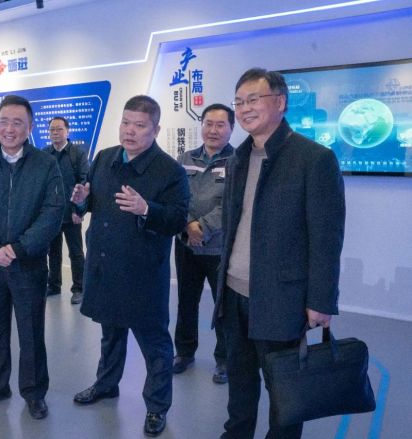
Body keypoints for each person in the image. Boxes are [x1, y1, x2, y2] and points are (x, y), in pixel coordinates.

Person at [215, 68, 345, 439]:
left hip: (281, 299)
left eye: (253, 99)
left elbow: (326, 238)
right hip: (233, 294)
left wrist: (320, 300)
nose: (244, 108)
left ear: (281, 102)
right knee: (240, 386)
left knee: (285, 392)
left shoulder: (313, 159)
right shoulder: (238, 159)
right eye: (239, 101)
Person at [71, 95, 189, 437]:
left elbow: (178, 219)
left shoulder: (170, 171)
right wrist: (82, 202)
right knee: (110, 333)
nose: (129, 131)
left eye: (139, 125)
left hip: (143, 273)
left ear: (156, 130)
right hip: (105, 265)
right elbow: (93, 203)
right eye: (125, 123)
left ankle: (156, 407)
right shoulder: (105, 157)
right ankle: (106, 384)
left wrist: (146, 209)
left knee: (155, 344)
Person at [0, 95, 64, 420]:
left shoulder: (46, 165)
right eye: (4, 121)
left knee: (31, 332)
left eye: (18, 122)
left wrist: (18, 248)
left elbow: (53, 212)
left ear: (30, 127)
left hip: (28, 264)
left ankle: (34, 392)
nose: (8, 129)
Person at [172, 104, 235, 382]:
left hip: (219, 247)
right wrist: (189, 226)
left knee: (223, 306)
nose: (213, 130)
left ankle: (225, 359)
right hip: (186, 244)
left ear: (231, 128)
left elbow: (232, 204)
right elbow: (176, 195)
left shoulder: (238, 161)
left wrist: (203, 227)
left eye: (220, 125)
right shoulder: (185, 158)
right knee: (186, 301)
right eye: (209, 124)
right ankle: (184, 352)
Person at [44, 116, 89, 304]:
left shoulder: (77, 153)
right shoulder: (44, 154)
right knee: (53, 252)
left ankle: (79, 288)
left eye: (59, 129)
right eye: (52, 130)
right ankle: (54, 285)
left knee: (75, 253)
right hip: (51, 214)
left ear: (67, 131)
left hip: (71, 213)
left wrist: (78, 211)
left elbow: (84, 182)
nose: (55, 133)